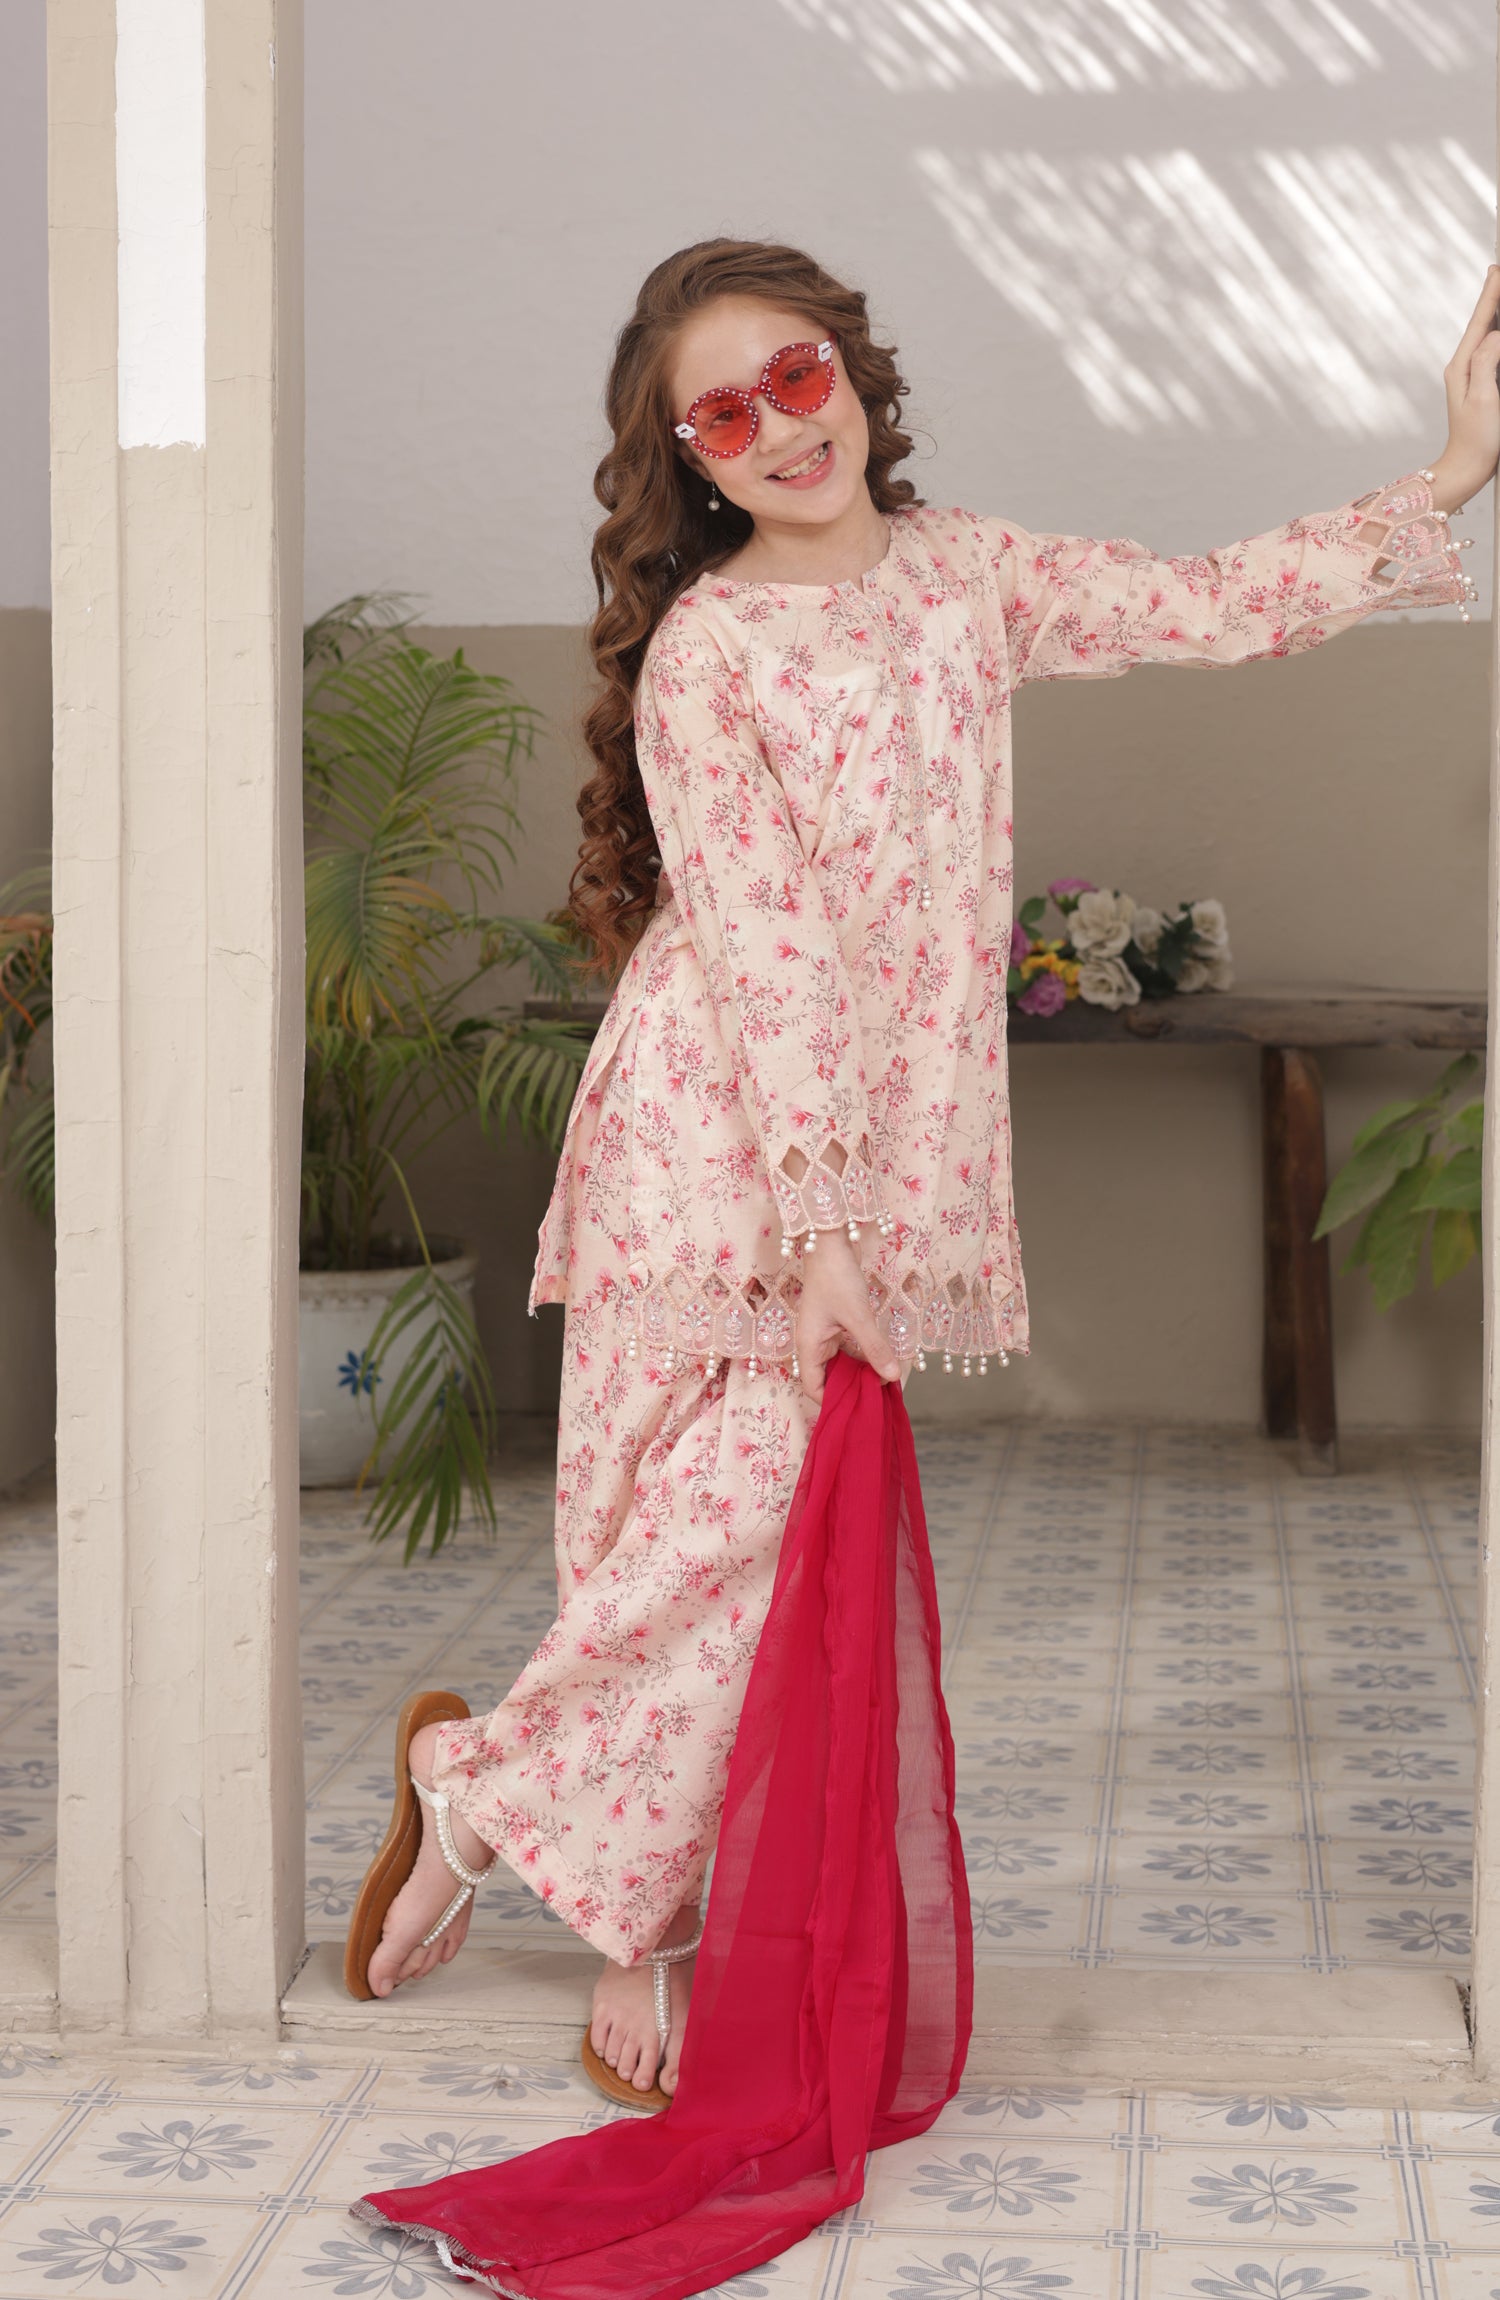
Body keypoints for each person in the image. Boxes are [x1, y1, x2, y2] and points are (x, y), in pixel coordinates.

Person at [345, 238, 1497, 2107]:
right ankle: (629, 1908)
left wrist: (1447, 476)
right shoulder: (709, 653)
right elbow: (767, 944)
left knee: (747, 1545)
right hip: (705, 1142)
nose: (778, 429)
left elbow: (1208, 602)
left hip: (860, 1164)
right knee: (663, 1532)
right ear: (689, 462)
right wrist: (819, 1225)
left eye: (796, 376)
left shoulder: (969, 575)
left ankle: (482, 1807)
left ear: (856, 373)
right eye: (723, 416)